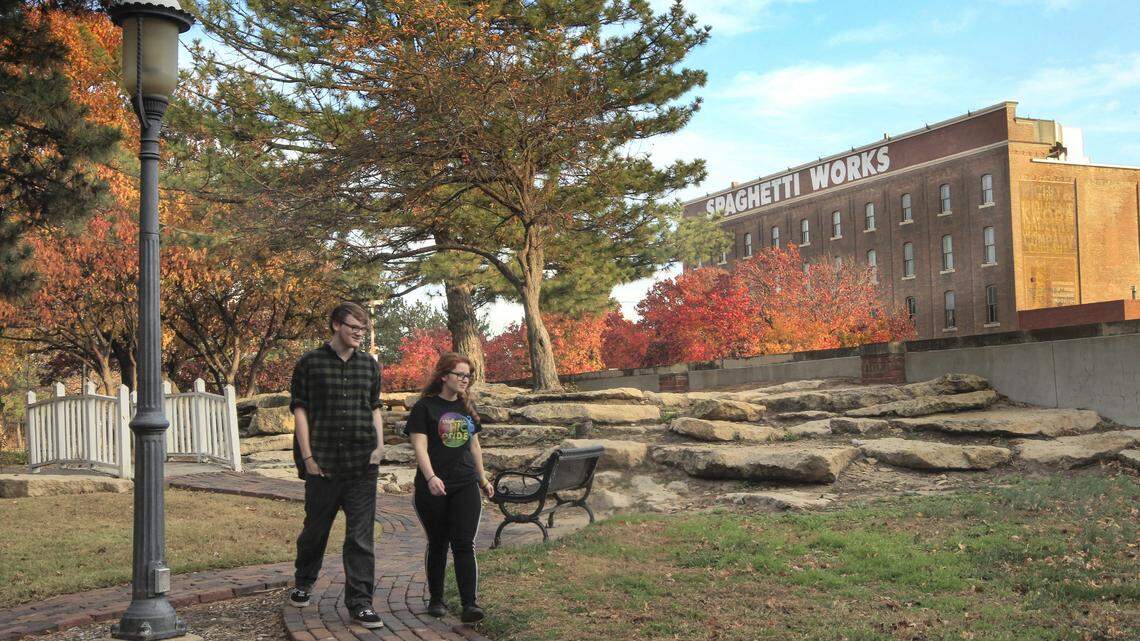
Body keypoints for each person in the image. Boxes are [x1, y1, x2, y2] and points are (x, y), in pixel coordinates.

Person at [287, 302, 385, 629]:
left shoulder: (369, 366)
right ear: (335, 325)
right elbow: (300, 411)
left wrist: (379, 446)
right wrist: (309, 457)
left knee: (360, 538)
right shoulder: (309, 364)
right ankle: (304, 580)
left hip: (362, 464)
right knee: (316, 531)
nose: (359, 333)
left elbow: (374, 408)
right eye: (353, 327)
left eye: (363, 329)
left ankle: (360, 603)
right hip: (324, 464)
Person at [406, 353, 494, 624]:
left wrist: (483, 479)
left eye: (468, 375)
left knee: (464, 544)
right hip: (433, 487)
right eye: (460, 374)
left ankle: (470, 604)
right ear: (444, 376)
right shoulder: (425, 408)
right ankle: (436, 598)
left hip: (465, 484)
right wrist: (431, 477)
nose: (465, 379)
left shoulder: (467, 407)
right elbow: (419, 445)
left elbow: (474, 446)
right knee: (438, 543)